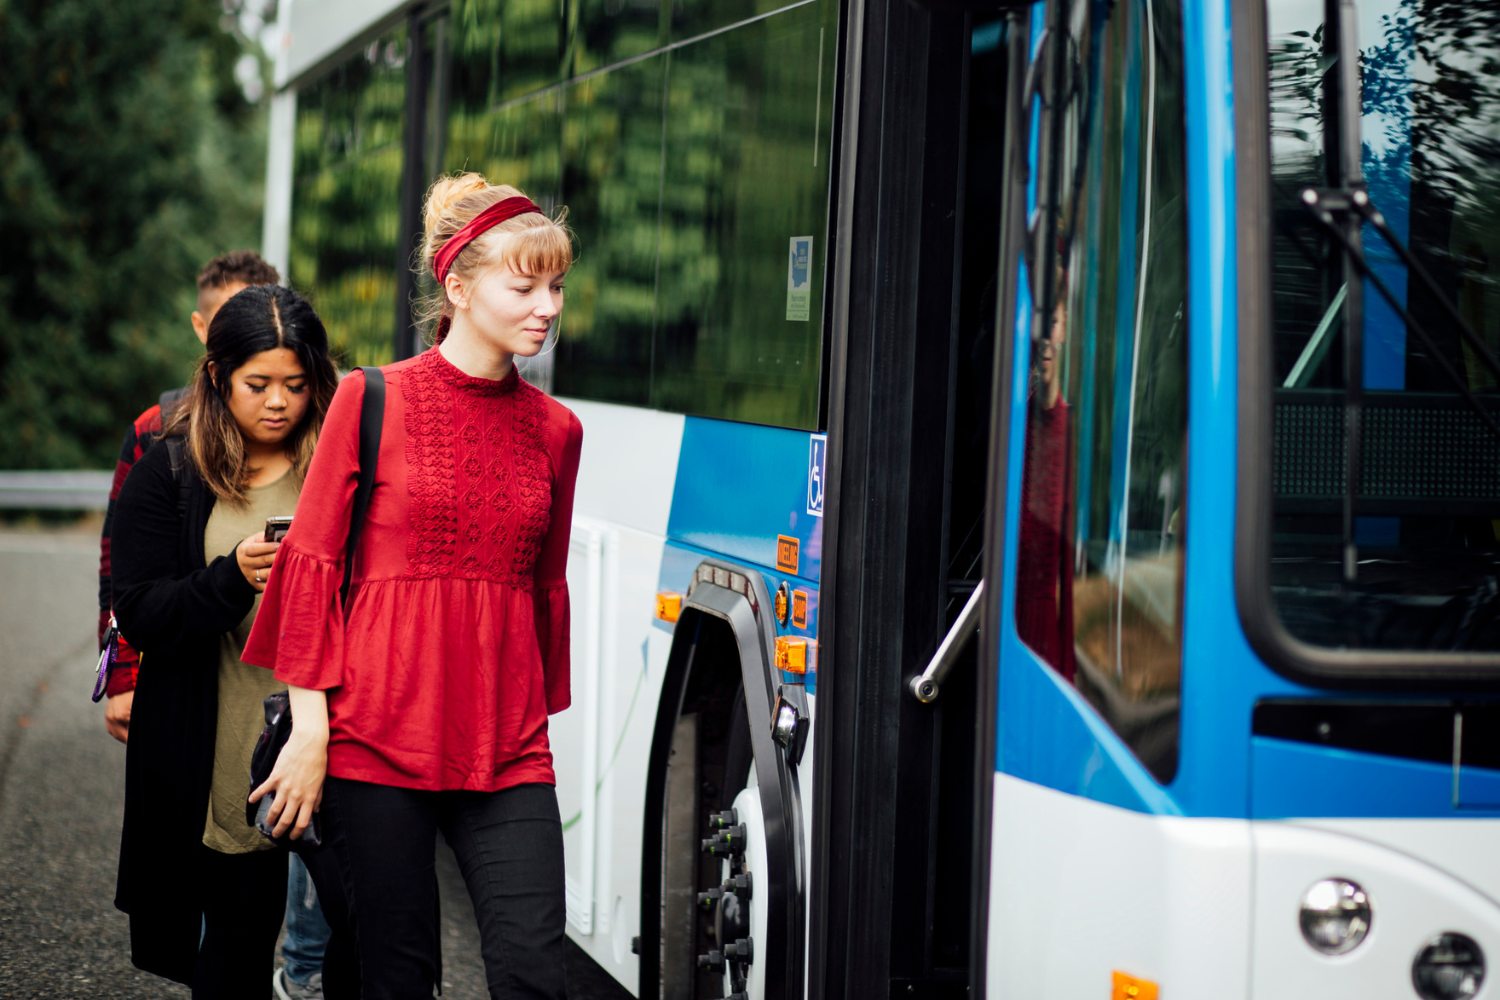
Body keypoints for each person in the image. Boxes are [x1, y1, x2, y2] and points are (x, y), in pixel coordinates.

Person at [243, 172, 583, 999]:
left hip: (505, 752)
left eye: (558, 287)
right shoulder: (371, 397)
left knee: (535, 969)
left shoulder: (558, 431)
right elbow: (312, 571)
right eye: (525, 284)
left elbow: (542, 592)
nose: (547, 306)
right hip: (373, 746)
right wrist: (311, 733)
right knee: (398, 977)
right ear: (457, 286)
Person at [110, 285, 340, 998]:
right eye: (258, 384)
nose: (278, 402)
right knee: (233, 947)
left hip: (330, 739)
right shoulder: (171, 471)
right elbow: (140, 610)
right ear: (216, 378)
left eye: (296, 385)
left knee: (347, 941)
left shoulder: (342, 469)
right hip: (218, 751)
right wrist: (230, 577)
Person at [98, 249, 280, 744]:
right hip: (180, 657)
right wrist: (121, 676)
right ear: (201, 327)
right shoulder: (158, 431)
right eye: (228, 320)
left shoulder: (311, 428)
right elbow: (121, 564)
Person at [1016, 277, 1077, 681]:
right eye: (1039, 325)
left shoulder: (1078, 427)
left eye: (1052, 323)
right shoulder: (1022, 418)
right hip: (1020, 607)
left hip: (1061, 609)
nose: (1045, 339)